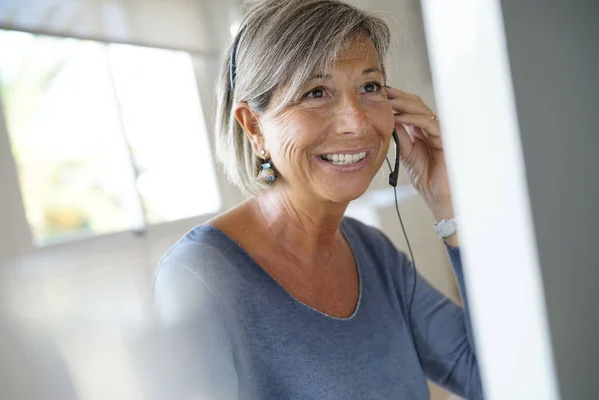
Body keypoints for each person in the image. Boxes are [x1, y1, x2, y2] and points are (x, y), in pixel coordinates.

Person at [153, 0, 483, 399]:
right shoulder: (198, 277)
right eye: (315, 92)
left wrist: (447, 205)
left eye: (370, 87)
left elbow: (491, 376)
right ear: (254, 127)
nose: (356, 122)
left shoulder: (373, 253)